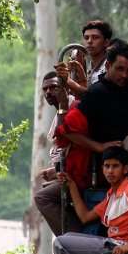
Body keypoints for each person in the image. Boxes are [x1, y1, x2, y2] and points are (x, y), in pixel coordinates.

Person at [32, 73, 81, 235]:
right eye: (45, 89)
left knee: (42, 198)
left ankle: (71, 237)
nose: (48, 92)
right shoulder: (60, 110)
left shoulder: (73, 107)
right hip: (64, 171)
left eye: (53, 87)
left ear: (65, 88)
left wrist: (62, 106)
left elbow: (64, 140)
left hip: (77, 173)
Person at [55, 20, 114, 98]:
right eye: (86, 38)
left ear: (106, 42)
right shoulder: (89, 66)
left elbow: (97, 97)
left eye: (95, 37)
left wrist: (68, 81)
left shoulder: (111, 66)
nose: (89, 41)